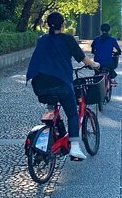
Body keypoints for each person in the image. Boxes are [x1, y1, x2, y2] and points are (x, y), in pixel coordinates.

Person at [26, 11, 100, 161]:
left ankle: (52, 127)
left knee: (52, 105)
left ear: (47, 25)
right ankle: (74, 147)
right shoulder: (67, 39)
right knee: (72, 113)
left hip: (39, 84)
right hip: (60, 83)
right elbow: (83, 59)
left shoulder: (42, 40)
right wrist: (94, 64)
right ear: (62, 25)